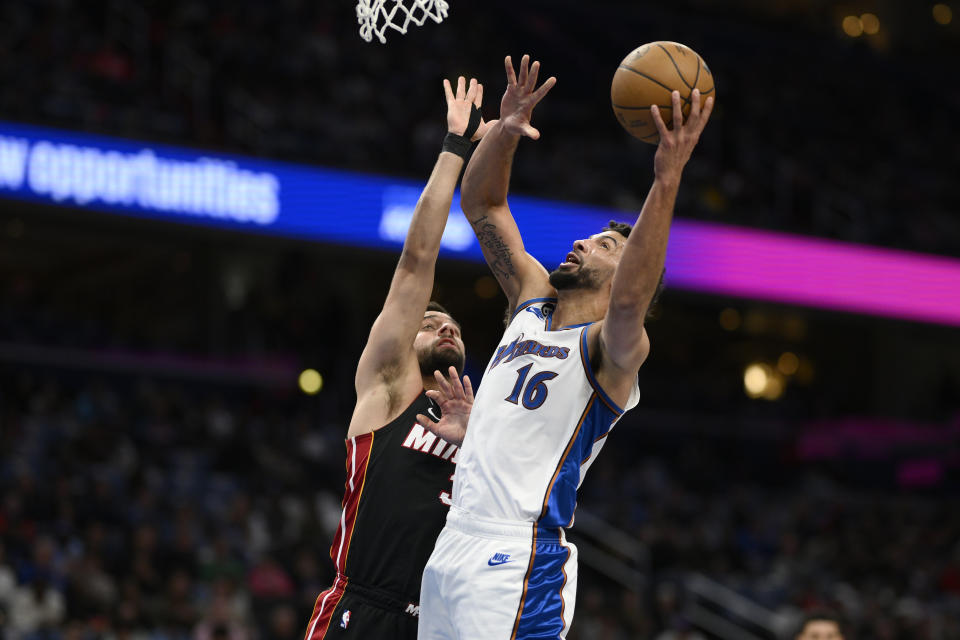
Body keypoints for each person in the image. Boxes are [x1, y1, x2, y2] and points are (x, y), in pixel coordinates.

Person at [417, 54, 713, 639]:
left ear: (627, 270)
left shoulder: (613, 348)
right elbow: (482, 206)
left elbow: (630, 300)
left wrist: (667, 175)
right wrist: (503, 133)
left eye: (603, 244)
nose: (582, 241)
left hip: (517, 555)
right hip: (452, 542)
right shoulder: (533, 300)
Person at [301, 75, 491, 640]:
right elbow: (416, 261)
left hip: (440, 624)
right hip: (362, 606)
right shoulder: (389, 387)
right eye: (431, 323)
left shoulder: (481, 427)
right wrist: (457, 149)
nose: (447, 326)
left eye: (453, 326)